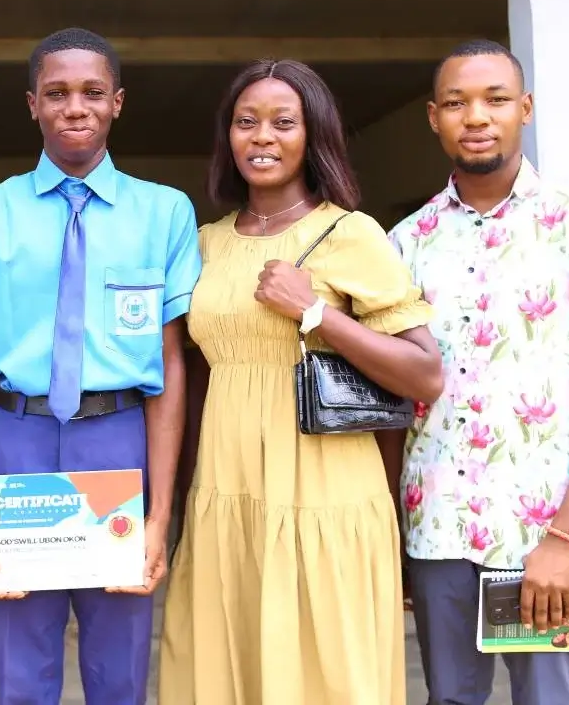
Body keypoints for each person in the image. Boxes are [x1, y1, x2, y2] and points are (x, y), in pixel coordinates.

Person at [158, 59, 444, 705]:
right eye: (246, 122)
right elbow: (194, 375)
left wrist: (317, 315)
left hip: (323, 494)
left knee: (323, 674)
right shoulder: (206, 243)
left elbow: (426, 372)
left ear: (313, 135)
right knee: (226, 666)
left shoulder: (349, 232)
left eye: (283, 123)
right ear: (227, 138)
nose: (262, 137)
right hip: (227, 491)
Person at [387, 39, 569, 705]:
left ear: (525, 109)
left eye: (495, 99)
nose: (476, 116)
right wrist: (393, 535)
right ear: (433, 117)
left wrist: (567, 540)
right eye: (456, 103)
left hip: (545, 541)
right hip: (438, 536)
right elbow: (394, 399)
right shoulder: (405, 242)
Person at [0, 27, 201, 703]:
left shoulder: (164, 213)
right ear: (32, 104)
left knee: (120, 670)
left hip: (119, 441)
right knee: (23, 672)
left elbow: (170, 366)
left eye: (91, 92)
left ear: (118, 101)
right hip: (17, 441)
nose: (75, 107)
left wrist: (159, 518)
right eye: (56, 93)